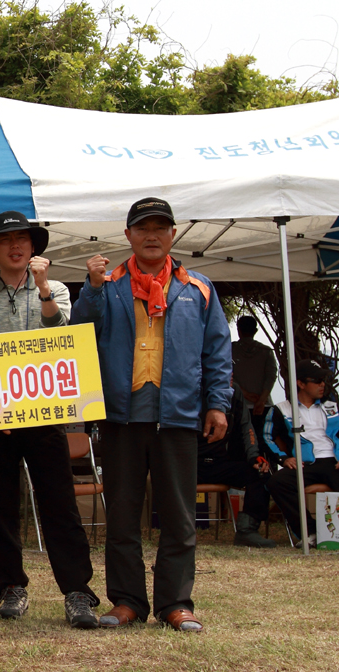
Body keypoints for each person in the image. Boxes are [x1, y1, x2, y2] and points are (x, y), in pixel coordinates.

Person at [70, 197, 231, 632]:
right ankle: (127, 602)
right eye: (143, 228)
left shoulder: (197, 287)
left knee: (179, 514)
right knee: (122, 513)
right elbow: (80, 331)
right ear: (128, 236)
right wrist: (92, 286)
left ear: (174, 234)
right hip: (120, 416)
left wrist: (218, 403)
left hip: (177, 414)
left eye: (161, 227)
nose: (152, 235)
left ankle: (176, 603)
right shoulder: (109, 283)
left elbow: (217, 349)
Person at [0, 211, 100, 629]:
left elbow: (64, 335)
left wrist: (43, 287)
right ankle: (11, 587)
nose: (15, 246)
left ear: (34, 247)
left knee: (59, 503)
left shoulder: (57, 288)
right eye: (6, 240)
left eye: (23, 239)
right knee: (2, 505)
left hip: (46, 415)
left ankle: (78, 591)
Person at [264, 359, 339, 545]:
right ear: (301, 384)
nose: (322, 384)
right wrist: (283, 459)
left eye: (324, 380)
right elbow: (266, 436)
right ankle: (310, 532)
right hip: (305, 464)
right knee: (277, 482)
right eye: (317, 380)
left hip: (334, 461)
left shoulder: (333, 406)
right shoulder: (281, 409)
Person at [197, 383, 275, 548]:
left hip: (220, 462)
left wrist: (254, 456)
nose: (228, 374)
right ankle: (177, 531)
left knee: (260, 472)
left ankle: (247, 531)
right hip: (189, 461)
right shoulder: (192, 384)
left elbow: (247, 427)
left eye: (231, 370)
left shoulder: (235, 391)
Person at [232, 315, 279, 458]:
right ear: (256, 330)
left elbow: (227, 375)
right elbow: (271, 376)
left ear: (238, 330)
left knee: (240, 444)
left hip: (240, 404)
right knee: (266, 442)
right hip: (263, 406)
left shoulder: (230, 349)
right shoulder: (266, 351)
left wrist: (245, 394)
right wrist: (262, 400)